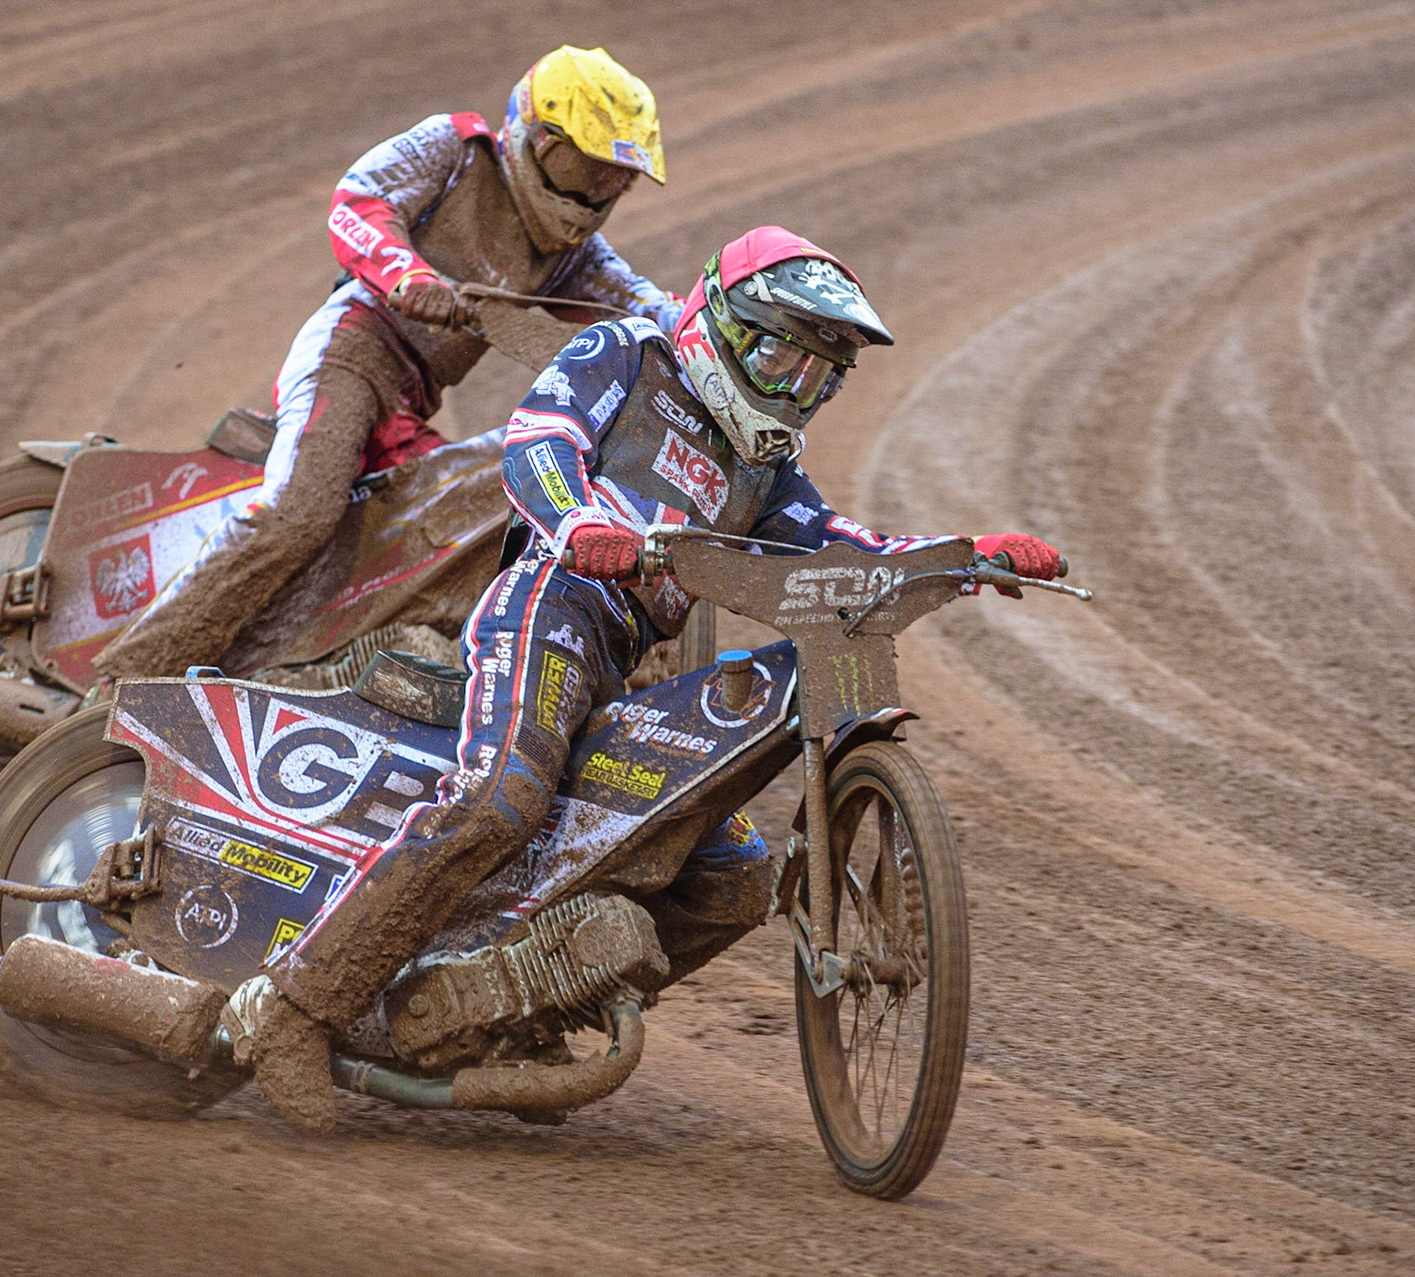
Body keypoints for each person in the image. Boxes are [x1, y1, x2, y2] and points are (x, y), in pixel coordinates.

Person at [223, 226, 1065, 1133]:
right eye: (782, 356)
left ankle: (521, 1004)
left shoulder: (764, 467)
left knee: (734, 874)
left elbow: (838, 546)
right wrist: (581, 522)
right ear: (726, 324)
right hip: (551, 603)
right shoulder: (628, 350)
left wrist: (961, 556)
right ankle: (292, 1009)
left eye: (819, 376)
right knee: (502, 794)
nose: (794, 390)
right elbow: (536, 442)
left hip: (628, 663)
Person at [92, 46, 682, 681]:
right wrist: (407, 274)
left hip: (408, 409)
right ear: (537, 137)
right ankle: (121, 677)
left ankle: (283, 672)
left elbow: (646, 306)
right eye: (585, 170)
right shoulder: (456, 151)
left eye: (611, 181)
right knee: (301, 511)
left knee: (440, 542)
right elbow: (359, 199)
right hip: (350, 352)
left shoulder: (578, 257)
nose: (594, 196)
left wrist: (723, 332)